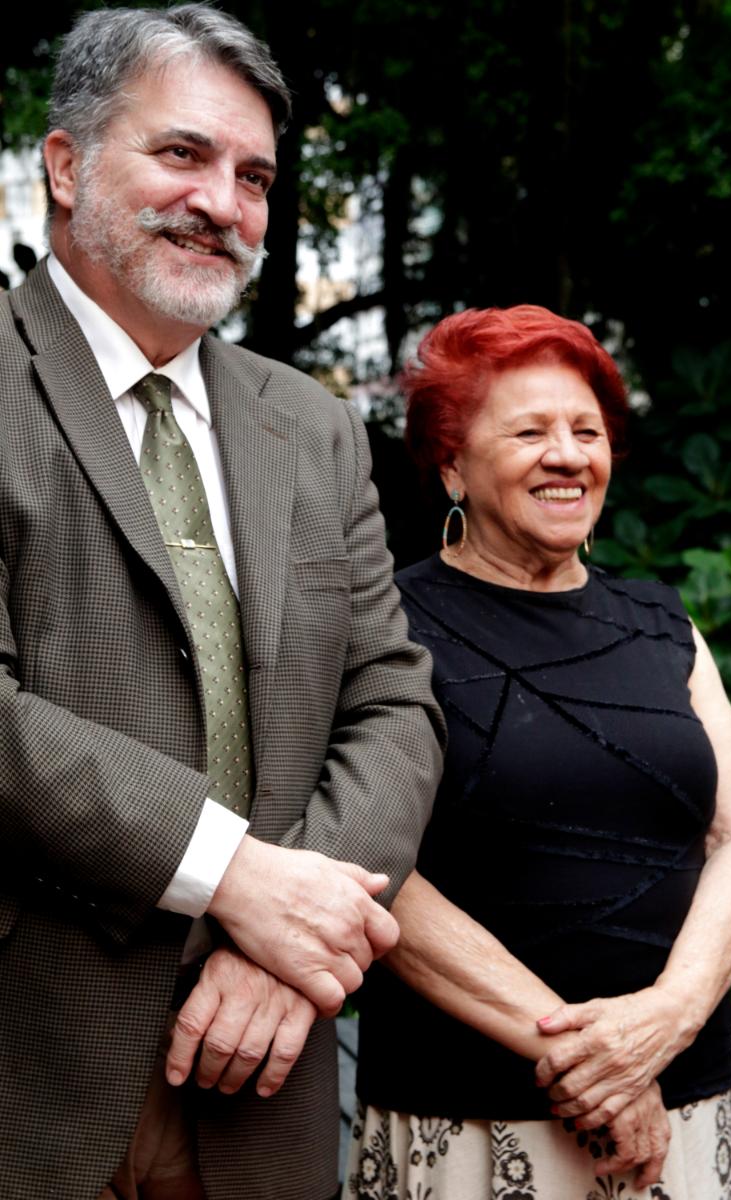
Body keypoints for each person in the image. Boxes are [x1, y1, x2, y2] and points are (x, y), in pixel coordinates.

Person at [0, 7, 444, 1199]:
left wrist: (287, 940)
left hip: (261, 1088)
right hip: (29, 1066)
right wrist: (233, 875)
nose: (223, 204)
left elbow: (394, 705)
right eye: (183, 154)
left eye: (252, 177)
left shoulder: (312, 426)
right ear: (65, 164)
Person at [348, 305, 731, 1200]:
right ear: (451, 463)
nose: (568, 455)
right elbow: (372, 866)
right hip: (474, 1122)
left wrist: (663, 1023)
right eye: (529, 432)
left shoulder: (661, 621)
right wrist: (600, 1066)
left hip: (689, 1100)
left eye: (587, 431)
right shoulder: (385, 625)